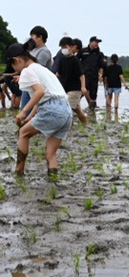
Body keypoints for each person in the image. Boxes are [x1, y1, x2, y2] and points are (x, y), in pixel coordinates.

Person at [5, 43, 72, 177]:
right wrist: (30, 118)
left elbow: (40, 92)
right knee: (50, 153)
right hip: (66, 111)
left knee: (23, 133)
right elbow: (43, 96)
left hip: (52, 109)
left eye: (13, 66)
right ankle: (53, 181)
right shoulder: (40, 69)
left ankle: (19, 172)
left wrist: (23, 112)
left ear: (16, 60)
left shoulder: (27, 71)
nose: (15, 71)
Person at [56, 36, 88, 124]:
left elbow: (82, 75)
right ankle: (87, 125)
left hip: (75, 89)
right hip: (66, 89)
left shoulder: (75, 60)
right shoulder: (62, 59)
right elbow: (59, 74)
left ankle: (67, 127)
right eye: (62, 47)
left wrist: (83, 87)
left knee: (66, 109)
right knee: (78, 111)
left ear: (71, 47)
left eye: (65, 47)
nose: (63, 49)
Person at [78, 36, 104, 110]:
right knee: (83, 91)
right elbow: (76, 60)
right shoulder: (83, 51)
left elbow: (101, 66)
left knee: (93, 94)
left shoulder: (99, 54)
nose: (97, 44)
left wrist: (100, 75)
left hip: (94, 76)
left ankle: (92, 110)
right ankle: (76, 107)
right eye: (96, 42)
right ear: (90, 42)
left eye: (98, 43)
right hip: (84, 76)